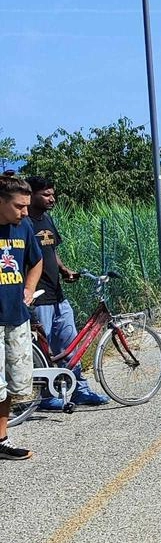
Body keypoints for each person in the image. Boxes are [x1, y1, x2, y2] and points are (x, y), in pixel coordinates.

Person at [26, 176, 109, 409]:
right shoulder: (23, 225)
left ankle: (79, 389)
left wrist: (64, 270)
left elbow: (52, 251)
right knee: (46, 349)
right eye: (46, 194)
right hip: (38, 297)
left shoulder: (47, 220)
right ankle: (47, 395)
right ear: (30, 195)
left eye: (52, 194)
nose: (51, 198)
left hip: (58, 294)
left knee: (69, 342)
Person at [0, 176, 43, 460]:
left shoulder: (24, 226)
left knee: (13, 385)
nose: (25, 212)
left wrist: (28, 289)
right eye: (19, 206)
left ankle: (1, 440)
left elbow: (36, 260)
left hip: (16, 316)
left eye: (27, 206)